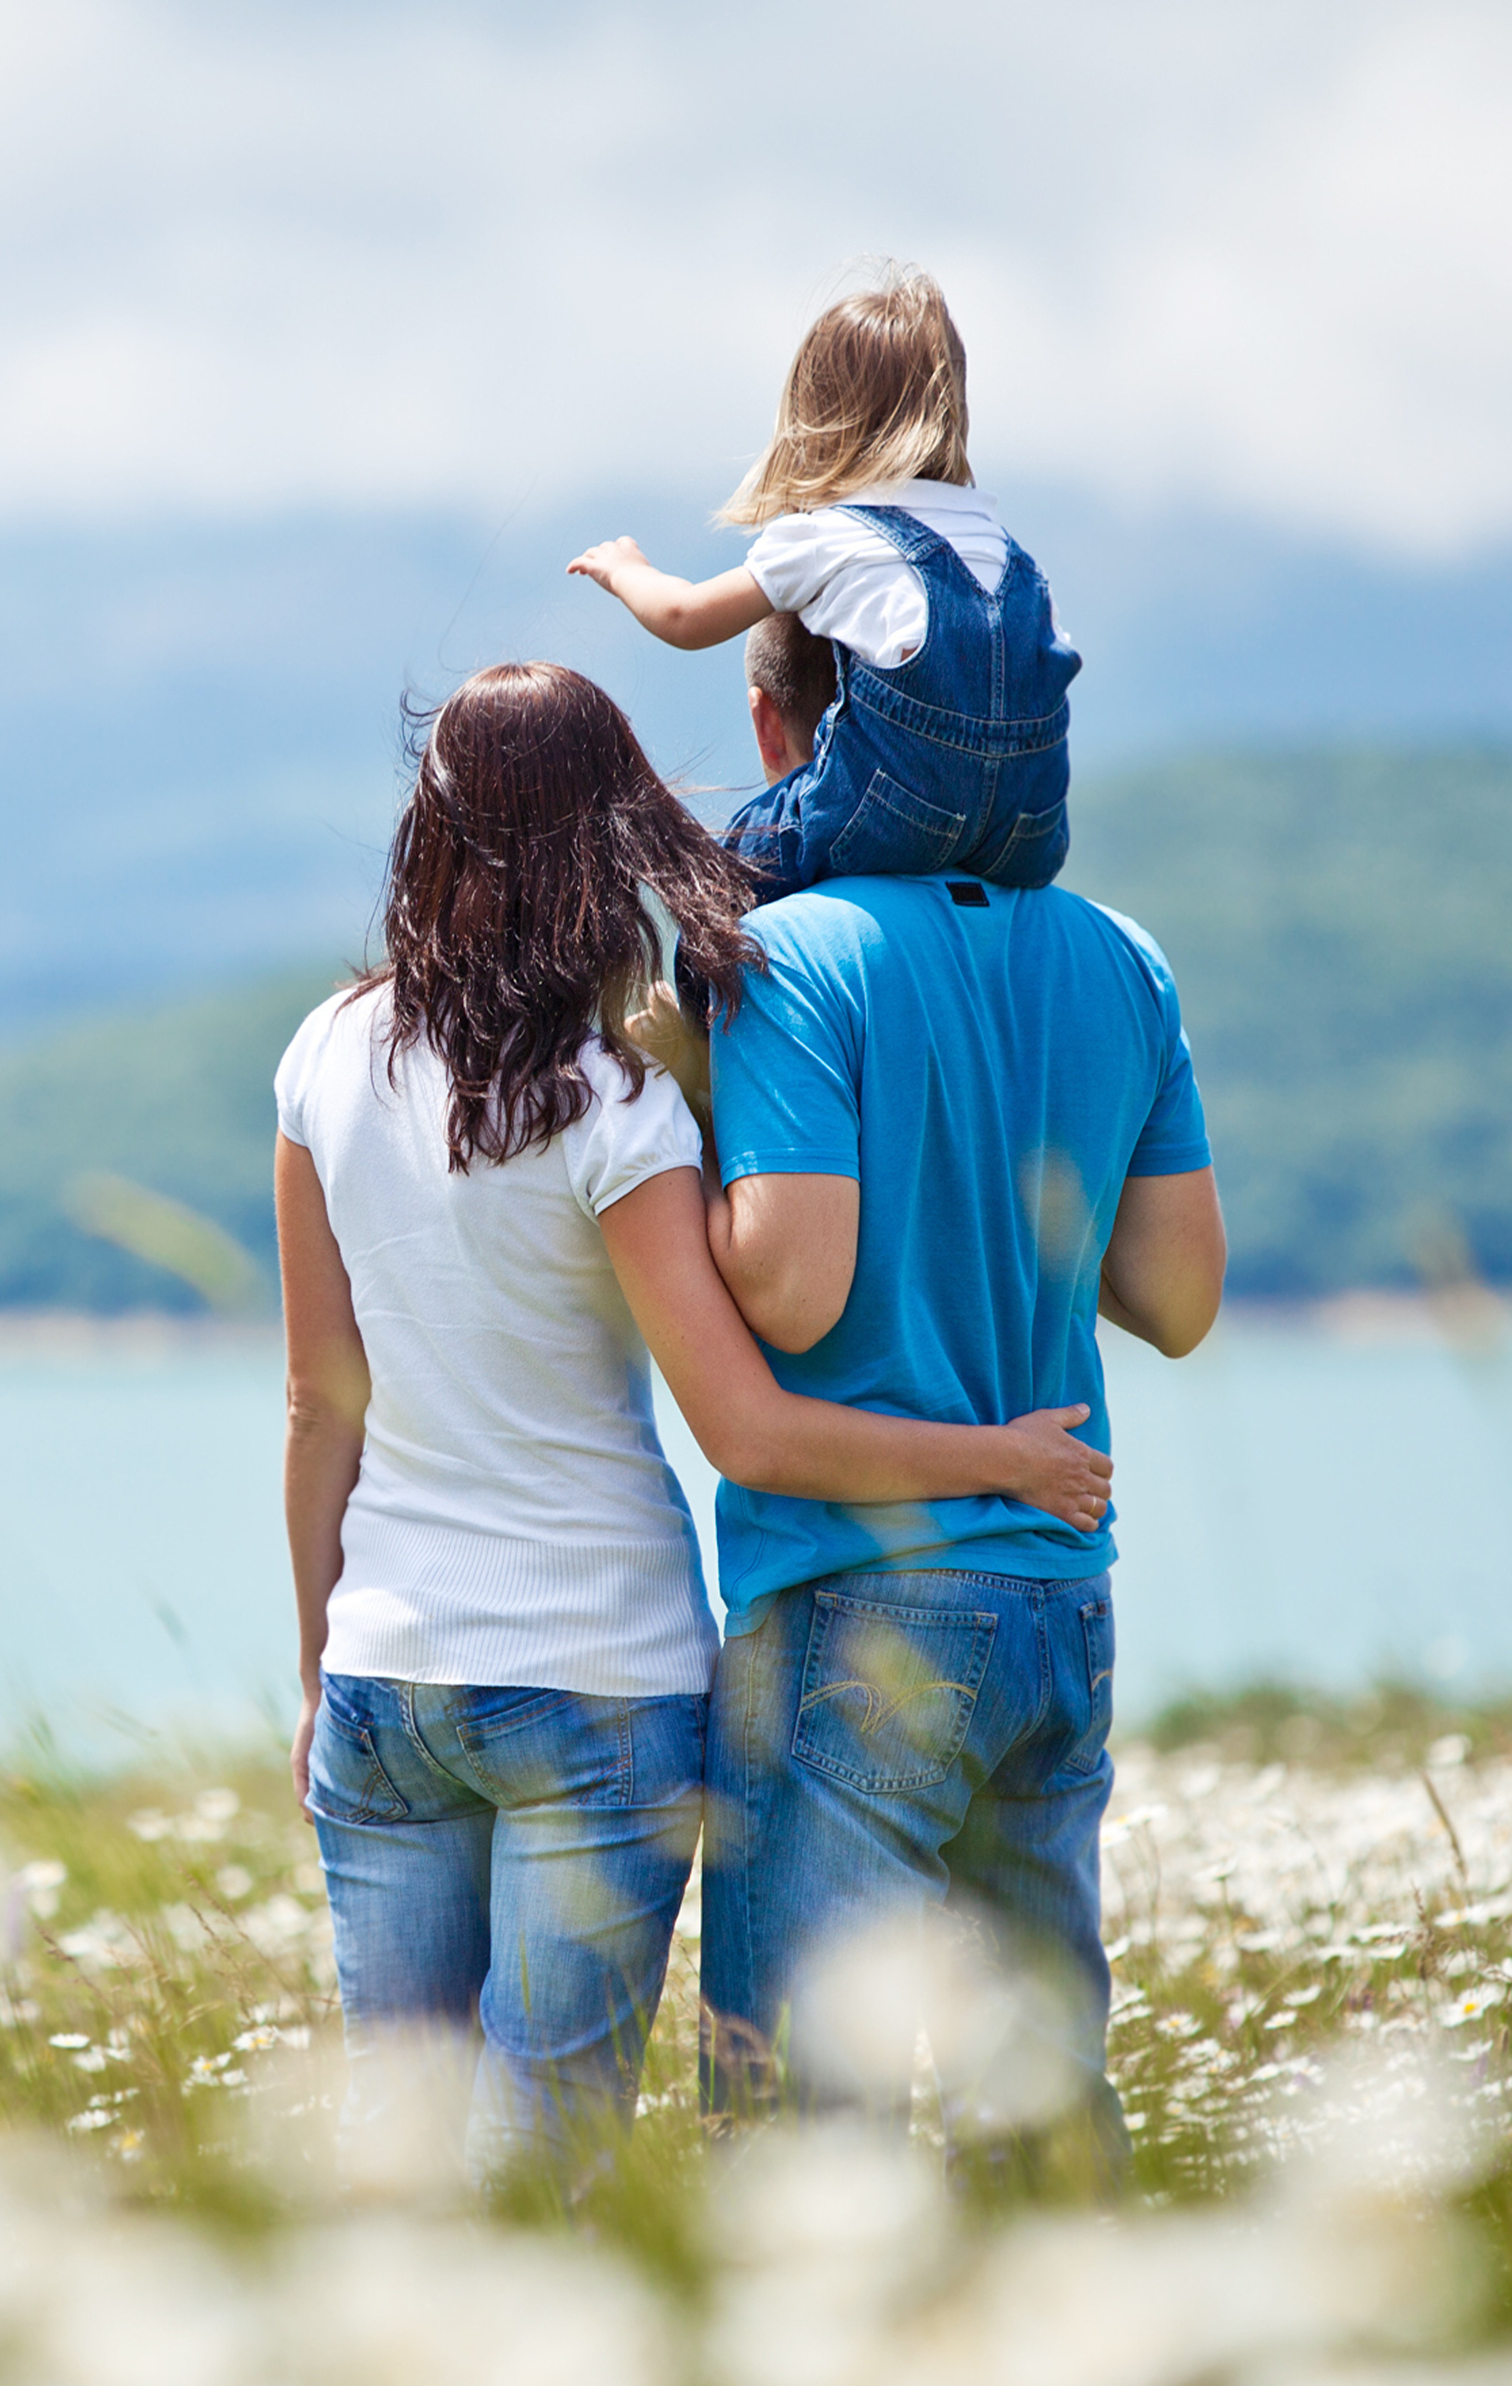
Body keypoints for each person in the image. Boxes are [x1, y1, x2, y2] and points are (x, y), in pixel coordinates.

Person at [273, 662, 1111, 2184]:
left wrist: (315, 1664)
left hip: (384, 1673)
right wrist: (1000, 1460)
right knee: (549, 2170)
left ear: (434, 827)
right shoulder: (617, 1105)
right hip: (595, 1681)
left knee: (391, 2162)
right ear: (606, 838)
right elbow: (755, 1431)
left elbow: (319, 1404)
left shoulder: (325, 1055)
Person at [695, 649, 1227, 2158]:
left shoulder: (788, 956)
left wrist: (686, 1115)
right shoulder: (1122, 957)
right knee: (1041, 2107)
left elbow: (792, 1290)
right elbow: (1180, 1304)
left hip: (857, 1599)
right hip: (1062, 1592)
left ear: (775, 718)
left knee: (805, 2114)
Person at [567, 263, 1081, 899]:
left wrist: (627, 572)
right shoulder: (1008, 551)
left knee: (729, 872)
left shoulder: (831, 533)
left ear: (816, 423)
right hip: (1027, 829)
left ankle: (696, 1000)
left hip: (898, 813)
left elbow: (683, 617)